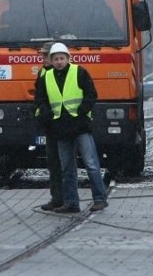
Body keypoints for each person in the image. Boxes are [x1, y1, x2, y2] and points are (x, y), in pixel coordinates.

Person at [34, 42, 108, 213]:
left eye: (62, 58)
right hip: (60, 128)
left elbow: (91, 95)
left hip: (80, 126)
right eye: (56, 59)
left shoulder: (79, 72)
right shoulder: (47, 77)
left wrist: (81, 112)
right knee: (66, 167)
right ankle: (71, 202)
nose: (59, 61)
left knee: (91, 163)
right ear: (51, 61)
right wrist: (49, 117)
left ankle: (99, 198)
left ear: (68, 58)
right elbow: (41, 100)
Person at [34, 41, 63, 211]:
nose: (43, 58)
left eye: (46, 56)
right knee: (53, 163)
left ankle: (66, 198)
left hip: (65, 126)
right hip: (50, 126)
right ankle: (56, 198)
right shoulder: (43, 72)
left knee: (64, 164)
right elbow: (39, 98)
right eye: (43, 55)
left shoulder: (61, 73)